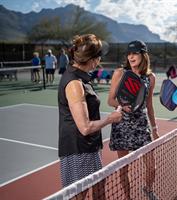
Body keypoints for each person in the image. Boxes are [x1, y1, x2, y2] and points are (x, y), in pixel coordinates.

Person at [58, 34, 122, 187]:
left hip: (90, 146)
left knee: (100, 189)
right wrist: (111, 119)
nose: (100, 59)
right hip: (78, 150)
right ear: (93, 60)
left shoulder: (82, 78)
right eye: (99, 56)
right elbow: (85, 128)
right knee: (80, 195)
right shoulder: (74, 83)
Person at [107, 40, 159, 199]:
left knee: (151, 166)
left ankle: (148, 190)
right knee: (124, 168)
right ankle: (127, 197)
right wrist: (122, 105)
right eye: (129, 53)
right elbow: (110, 101)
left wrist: (154, 128)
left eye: (135, 53)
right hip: (122, 126)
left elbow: (149, 104)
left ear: (143, 55)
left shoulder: (150, 78)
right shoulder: (120, 73)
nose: (131, 56)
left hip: (141, 126)